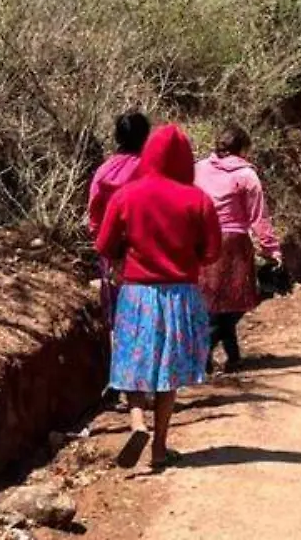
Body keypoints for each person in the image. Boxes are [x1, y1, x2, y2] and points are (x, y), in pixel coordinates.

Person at [95, 124, 221, 468]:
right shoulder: (198, 199)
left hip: (137, 293)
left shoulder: (126, 194)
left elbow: (104, 245)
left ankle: (137, 422)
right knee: (168, 373)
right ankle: (160, 448)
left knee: (134, 363)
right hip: (180, 296)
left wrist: (128, 250)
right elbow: (212, 252)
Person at [195, 124, 282, 373]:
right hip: (233, 245)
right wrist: (271, 249)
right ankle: (205, 353)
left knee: (213, 302)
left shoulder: (197, 169)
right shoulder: (246, 176)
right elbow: (259, 217)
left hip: (203, 240)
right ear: (243, 149)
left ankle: (232, 357)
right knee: (234, 303)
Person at [87, 111, 151, 425]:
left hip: (110, 252)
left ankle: (119, 379)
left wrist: (105, 244)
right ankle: (141, 384)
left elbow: (93, 214)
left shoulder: (103, 170)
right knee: (142, 316)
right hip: (142, 252)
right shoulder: (148, 170)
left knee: (115, 318)